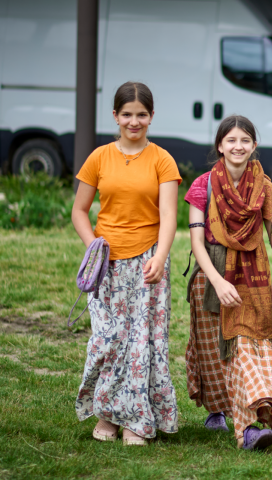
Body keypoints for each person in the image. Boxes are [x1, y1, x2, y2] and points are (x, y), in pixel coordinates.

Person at [184, 114, 272, 450]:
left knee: (243, 345)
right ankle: (217, 409)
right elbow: (196, 242)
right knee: (213, 349)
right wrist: (218, 282)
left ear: (254, 146)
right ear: (220, 146)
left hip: (251, 277)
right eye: (231, 140)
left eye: (244, 140)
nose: (237, 146)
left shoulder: (264, 188)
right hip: (211, 274)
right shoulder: (202, 186)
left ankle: (249, 428)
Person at [71, 82, 182, 446]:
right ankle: (107, 414)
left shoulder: (162, 160)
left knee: (142, 343)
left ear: (151, 116)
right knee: (109, 339)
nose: (134, 122)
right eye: (127, 114)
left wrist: (160, 257)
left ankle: (136, 420)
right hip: (107, 266)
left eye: (142, 115)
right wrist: (94, 247)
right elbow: (79, 211)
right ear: (115, 116)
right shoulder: (99, 157)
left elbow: (169, 216)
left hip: (148, 261)